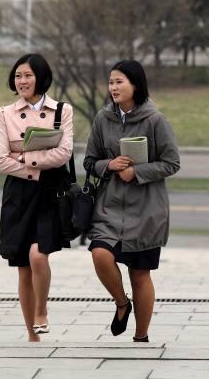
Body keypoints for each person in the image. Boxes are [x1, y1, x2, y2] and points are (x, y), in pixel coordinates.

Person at [83, 59, 180, 342]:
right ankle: (122, 303)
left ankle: (141, 337)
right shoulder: (103, 119)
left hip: (147, 210)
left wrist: (136, 171)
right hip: (109, 207)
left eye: (119, 82)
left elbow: (172, 163)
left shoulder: (156, 120)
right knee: (100, 254)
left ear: (135, 85)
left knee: (140, 275)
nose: (113, 87)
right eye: (111, 82)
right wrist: (109, 165)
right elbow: (89, 161)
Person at [0, 53, 73, 341]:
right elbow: (1, 161)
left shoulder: (61, 111)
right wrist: (39, 162)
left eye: (27, 75)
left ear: (41, 77)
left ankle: (42, 311)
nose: (22, 80)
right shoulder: (6, 113)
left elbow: (64, 153)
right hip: (18, 194)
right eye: (18, 76)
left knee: (38, 256)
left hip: (51, 192)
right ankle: (32, 334)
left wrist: (24, 156)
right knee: (23, 267)